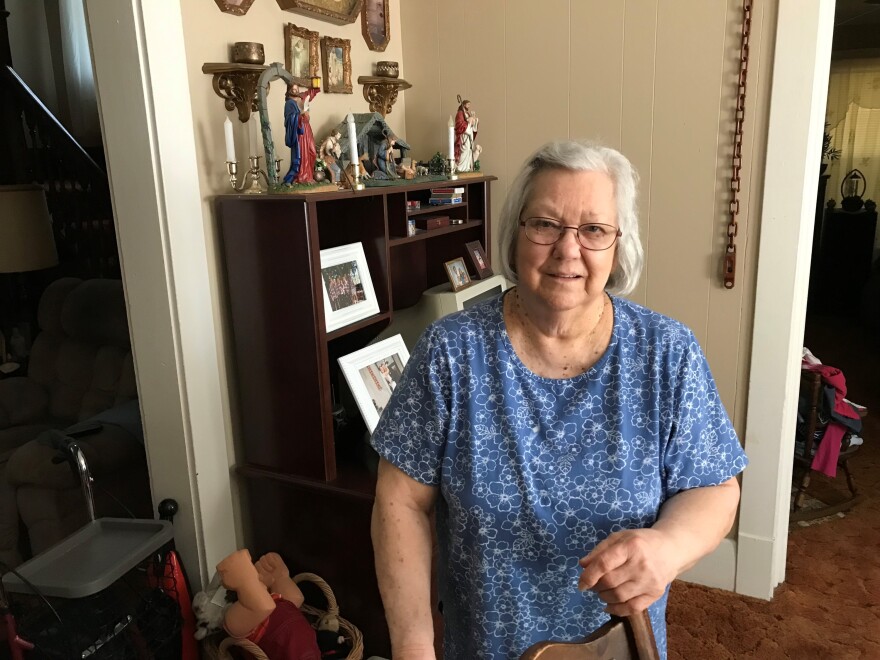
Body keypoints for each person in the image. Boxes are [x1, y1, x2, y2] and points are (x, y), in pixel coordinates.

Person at [370, 140, 748, 659]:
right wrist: (413, 646)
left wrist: (669, 548)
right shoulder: (450, 351)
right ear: (516, 233)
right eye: (545, 224)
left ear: (618, 244)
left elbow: (716, 488)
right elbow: (400, 501)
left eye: (593, 230)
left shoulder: (667, 354)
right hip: (483, 645)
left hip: (617, 646)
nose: (568, 250)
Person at [217, 549, 321, 660]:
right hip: (285, 611)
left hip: (257, 628)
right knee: (295, 599)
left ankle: (245, 580)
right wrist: (281, 579)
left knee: (262, 607)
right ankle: (266, 580)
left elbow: (264, 608)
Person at [282, 83, 320, 185]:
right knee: (302, 154)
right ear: (289, 90)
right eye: (293, 89)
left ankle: (309, 175)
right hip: (299, 132)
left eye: (297, 89)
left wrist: (315, 85)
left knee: (312, 151)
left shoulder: (301, 98)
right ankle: (302, 177)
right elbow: (289, 120)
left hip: (307, 129)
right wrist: (300, 115)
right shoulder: (289, 103)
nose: (296, 91)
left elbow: (310, 94)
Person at [454, 96, 481, 172]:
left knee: (469, 151)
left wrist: (474, 120)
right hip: (464, 135)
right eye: (468, 104)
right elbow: (459, 125)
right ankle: (461, 168)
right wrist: (468, 122)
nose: (469, 106)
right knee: (464, 151)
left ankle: (467, 168)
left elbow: (471, 124)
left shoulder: (467, 113)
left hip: (469, 135)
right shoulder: (460, 113)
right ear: (464, 104)